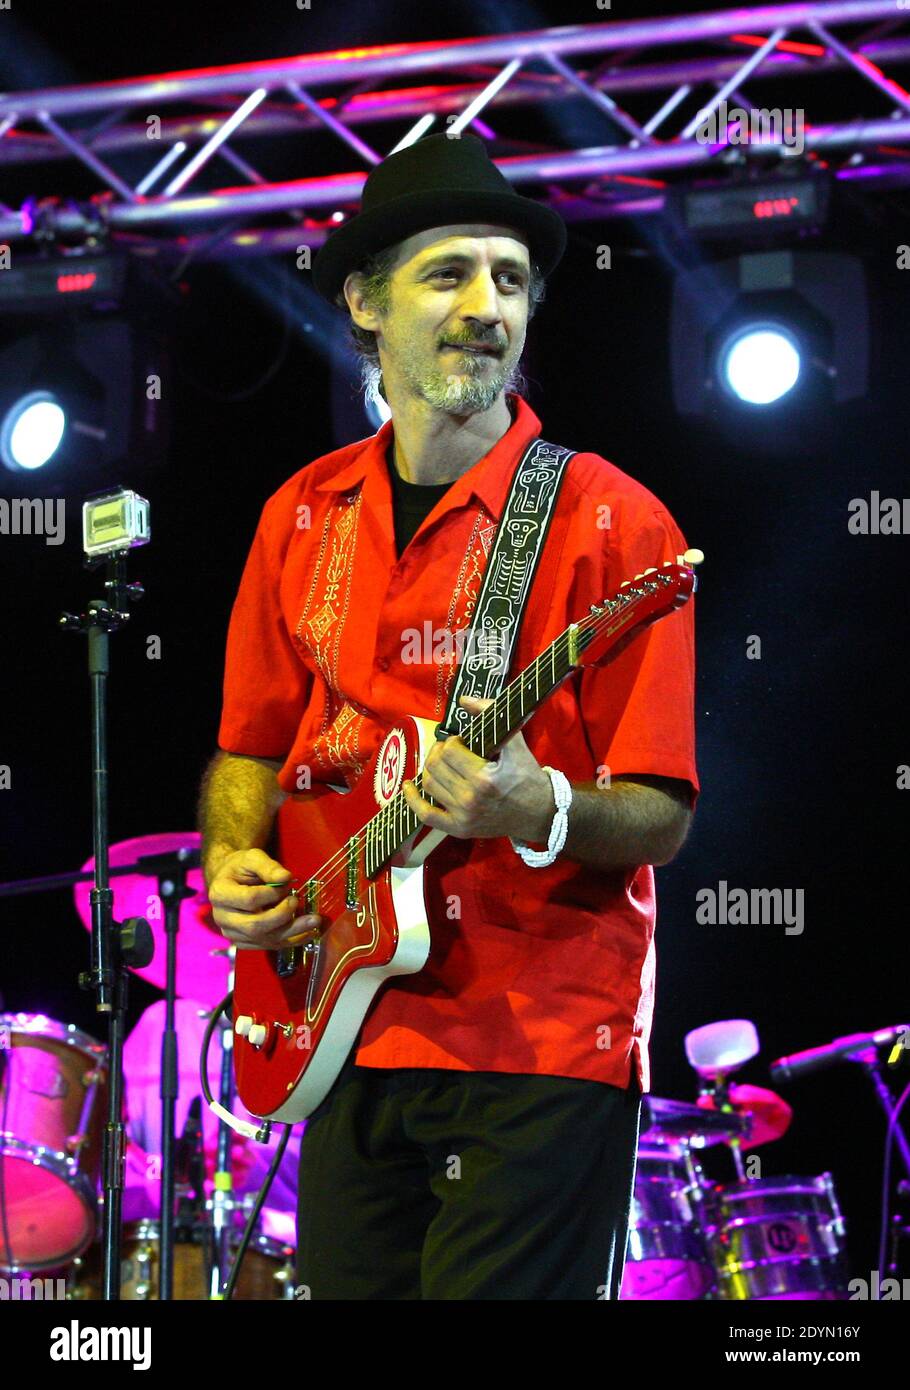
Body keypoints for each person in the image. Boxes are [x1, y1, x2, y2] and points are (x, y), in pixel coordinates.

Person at [200, 132, 698, 1300]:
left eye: (511, 280)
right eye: (449, 275)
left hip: (537, 1040)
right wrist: (234, 853)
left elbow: (661, 814)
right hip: (344, 1023)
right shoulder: (299, 513)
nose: (487, 307)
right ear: (365, 304)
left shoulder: (612, 524)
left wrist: (544, 804)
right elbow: (247, 748)